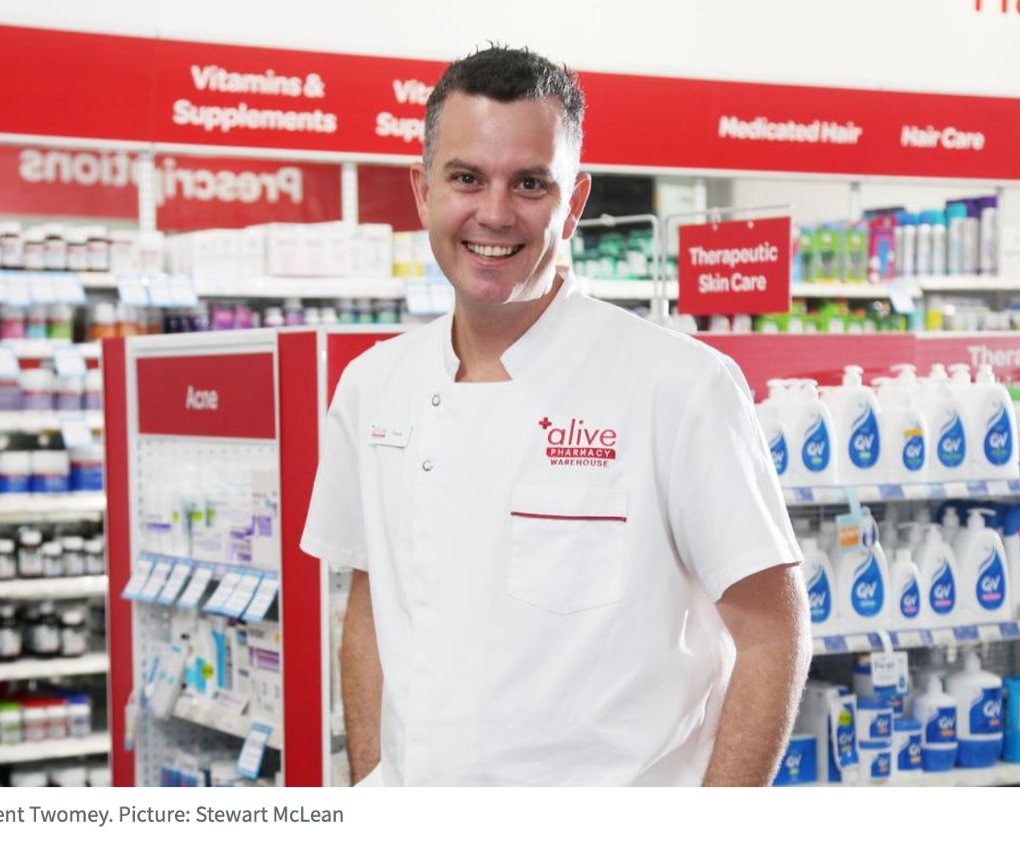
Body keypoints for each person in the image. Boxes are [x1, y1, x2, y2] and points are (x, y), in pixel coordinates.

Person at [300, 46, 810, 786]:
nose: (495, 212)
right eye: (466, 178)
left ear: (574, 203)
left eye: (531, 183)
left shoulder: (680, 387)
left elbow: (772, 633)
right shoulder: (373, 386)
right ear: (422, 190)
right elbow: (370, 611)